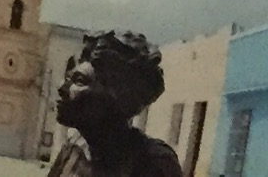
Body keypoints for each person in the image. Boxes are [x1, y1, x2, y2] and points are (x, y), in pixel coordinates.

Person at [44, 32, 184, 177]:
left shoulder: (152, 162)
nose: (62, 88)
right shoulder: (74, 147)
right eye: (68, 78)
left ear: (117, 95)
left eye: (79, 80)